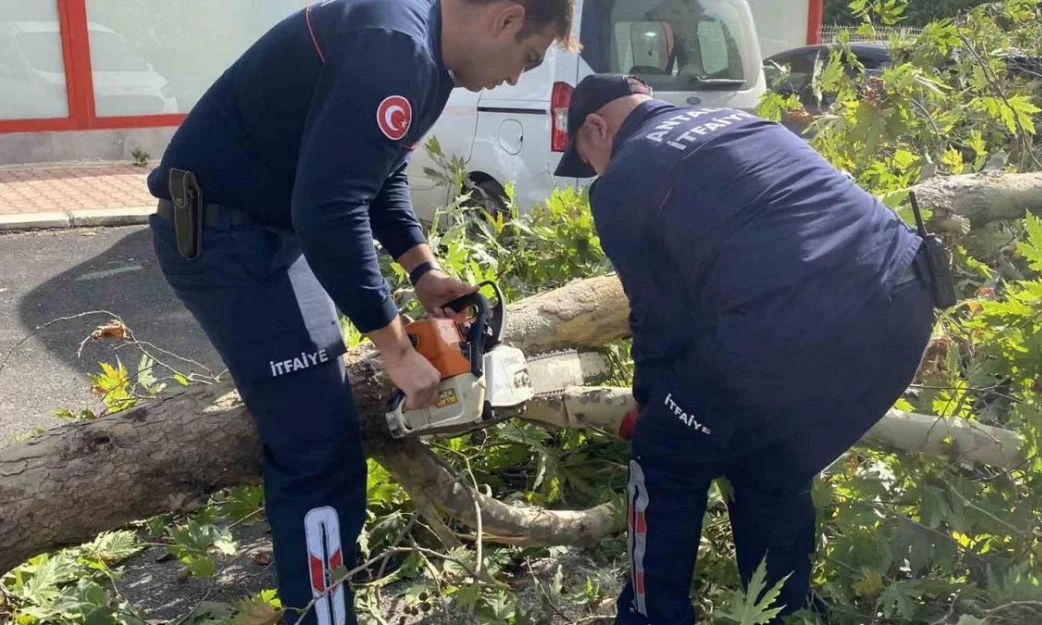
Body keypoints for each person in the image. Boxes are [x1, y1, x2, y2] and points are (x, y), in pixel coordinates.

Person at [146, 1, 577, 623]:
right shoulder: (395, 47)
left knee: (324, 422)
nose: (517, 77)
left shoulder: (427, 55)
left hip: (270, 232)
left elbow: (379, 174)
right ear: (506, 18)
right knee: (317, 447)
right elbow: (329, 207)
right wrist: (396, 350)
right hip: (226, 239)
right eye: (528, 59)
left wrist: (422, 269)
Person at [553, 74, 941, 624]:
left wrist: (654, 405)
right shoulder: (743, 122)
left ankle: (650, 616)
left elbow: (660, 319)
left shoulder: (624, 176)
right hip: (905, 304)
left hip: (791, 326)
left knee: (664, 451)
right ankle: (786, 611)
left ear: (596, 126)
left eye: (587, 157)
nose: (594, 170)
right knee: (769, 450)